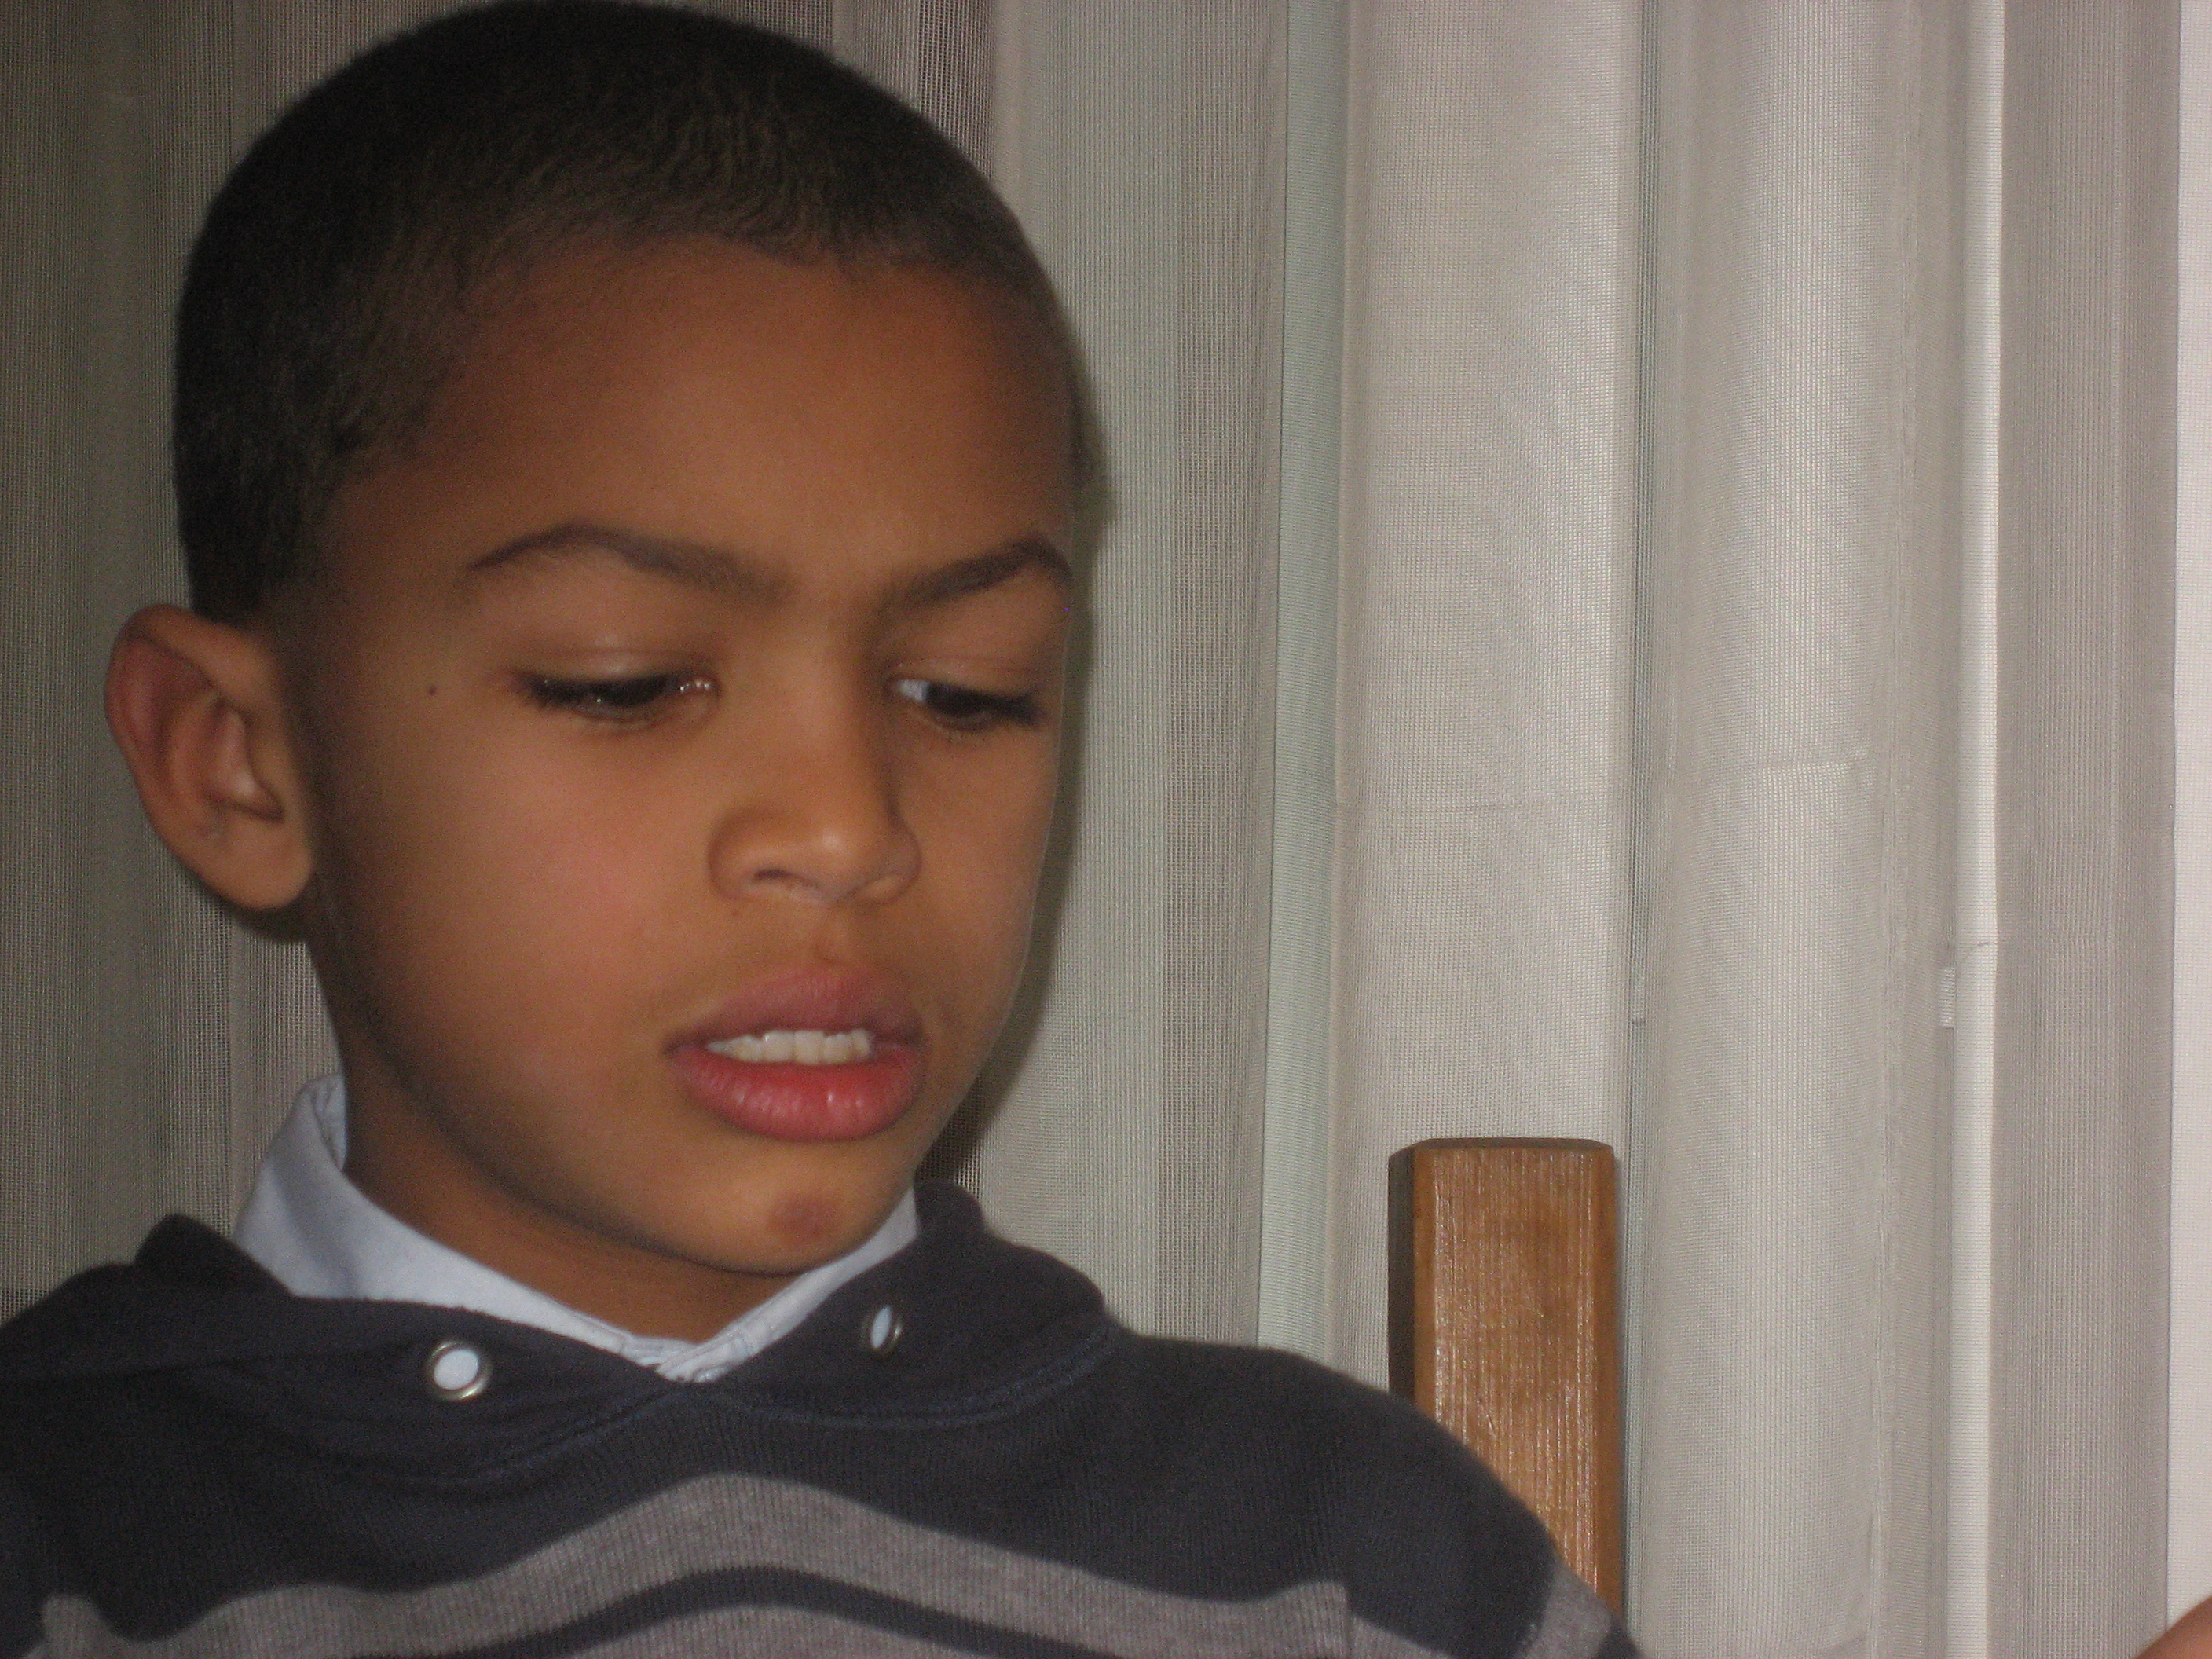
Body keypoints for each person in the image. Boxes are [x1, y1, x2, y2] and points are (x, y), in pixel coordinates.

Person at [0, 5, 1634, 1654]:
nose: (849, 831)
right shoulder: (60, 1546)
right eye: (628, 684)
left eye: (964, 693)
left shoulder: (1347, 1566)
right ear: (239, 767)